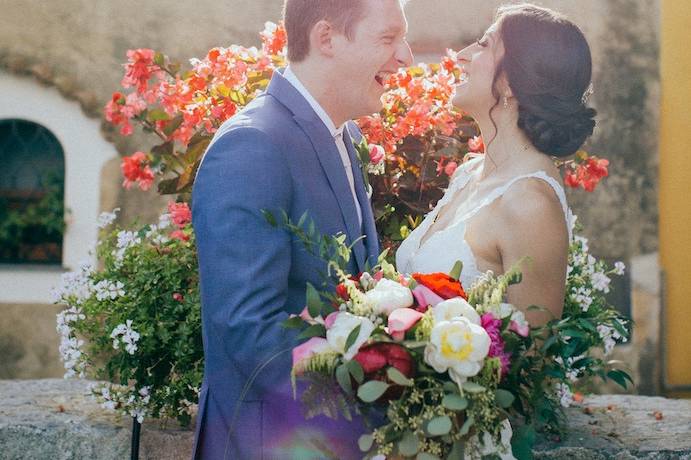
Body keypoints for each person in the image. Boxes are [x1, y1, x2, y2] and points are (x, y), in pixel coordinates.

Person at [191, 0, 412, 458]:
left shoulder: (341, 135)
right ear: (326, 38)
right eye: (388, 39)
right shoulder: (252, 146)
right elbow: (251, 332)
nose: (406, 56)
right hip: (269, 442)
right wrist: (385, 402)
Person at [397, 3, 597, 327]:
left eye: (484, 44)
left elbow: (533, 360)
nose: (461, 55)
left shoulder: (530, 203)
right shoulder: (467, 174)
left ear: (510, 83)